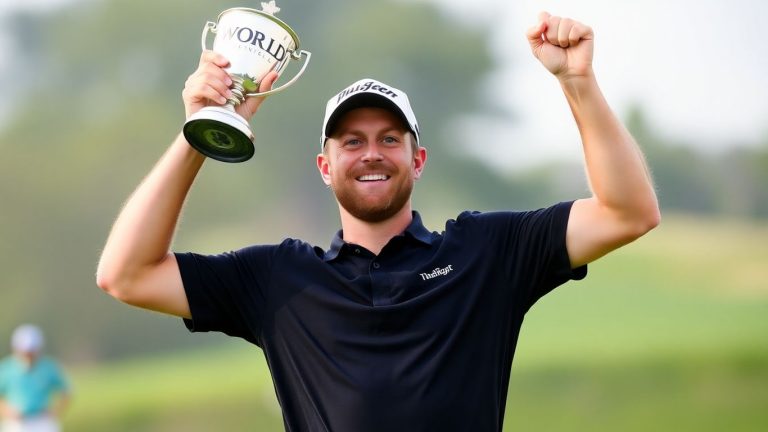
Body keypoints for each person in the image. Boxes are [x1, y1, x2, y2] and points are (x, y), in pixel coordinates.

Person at [96, 12, 660, 431]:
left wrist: (577, 82)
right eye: (353, 141)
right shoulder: (278, 279)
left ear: (418, 160)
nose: (371, 154)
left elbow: (627, 212)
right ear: (325, 166)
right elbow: (126, 274)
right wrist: (203, 131)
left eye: (390, 139)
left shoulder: (487, 253)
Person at [0, 325, 71, 432]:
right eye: (25, 352)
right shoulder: (6, 369)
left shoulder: (48, 367)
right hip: (16, 423)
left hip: (42, 420)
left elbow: (66, 391)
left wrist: (55, 411)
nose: (29, 355)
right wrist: (6, 411)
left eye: (31, 352)